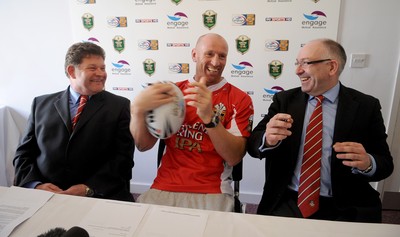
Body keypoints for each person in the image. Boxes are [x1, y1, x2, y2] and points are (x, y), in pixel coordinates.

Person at [247, 38, 394, 223]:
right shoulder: (284, 101)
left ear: (332, 67)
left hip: (345, 206)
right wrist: (267, 139)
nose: (297, 70)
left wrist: (367, 163)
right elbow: (253, 145)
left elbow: (385, 163)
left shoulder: (366, 106)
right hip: (288, 201)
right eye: (297, 63)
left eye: (305, 63)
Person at [130, 33, 254, 211]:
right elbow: (143, 145)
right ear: (194, 55)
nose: (216, 62)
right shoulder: (171, 92)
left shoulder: (239, 99)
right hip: (164, 186)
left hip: (212, 190)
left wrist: (209, 118)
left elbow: (234, 157)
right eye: (209, 54)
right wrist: (137, 112)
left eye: (222, 56)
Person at [13, 42, 135, 202]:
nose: (101, 74)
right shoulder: (40, 104)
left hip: (98, 195)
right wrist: (36, 185)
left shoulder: (120, 106)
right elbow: (24, 154)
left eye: (103, 68)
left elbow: (123, 159)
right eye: (92, 68)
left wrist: (88, 188)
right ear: (72, 71)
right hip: (46, 195)